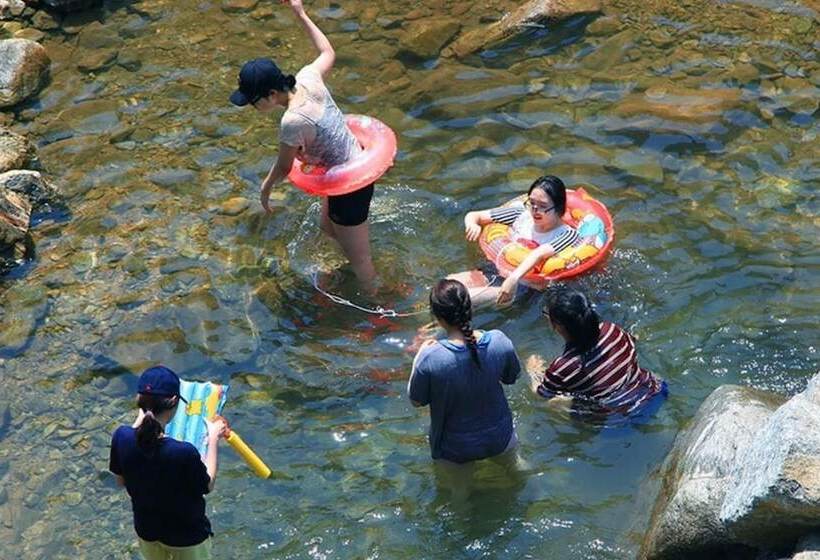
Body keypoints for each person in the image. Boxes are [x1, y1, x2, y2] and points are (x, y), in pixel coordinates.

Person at [229, 0, 376, 288]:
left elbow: (285, 166)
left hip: (350, 186)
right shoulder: (308, 78)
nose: (251, 106)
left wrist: (265, 188)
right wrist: (300, 12)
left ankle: (382, 310)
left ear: (271, 95)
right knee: (327, 232)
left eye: (253, 101)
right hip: (347, 168)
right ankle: (331, 280)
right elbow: (327, 51)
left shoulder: (292, 121)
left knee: (361, 262)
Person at [109, 365, 226, 560]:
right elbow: (208, 485)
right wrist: (213, 438)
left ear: (139, 401)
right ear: (173, 402)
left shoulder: (121, 437)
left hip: (147, 530)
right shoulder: (183, 452)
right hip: (187, 536)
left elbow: (121, 481)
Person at [408, 279, 521, 464]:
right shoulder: (499, 341)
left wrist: (418, 358)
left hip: (455, 448)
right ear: (470, 308)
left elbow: (416, 401)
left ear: (438, 318)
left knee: (458, 493)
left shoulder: (430, 357)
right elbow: (512, 377)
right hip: (501, 438)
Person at [527, 285, 667, 416]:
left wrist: (533, 371)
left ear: (557, 325)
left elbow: (541, 394)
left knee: (553, 403)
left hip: (623, 416)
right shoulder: (612, 330)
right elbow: (633, 340)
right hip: (656, 391)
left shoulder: (562, 367)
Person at [450, 175, 580, 307]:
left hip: (525, 284)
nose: (535, 210)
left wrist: (513, 279)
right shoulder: (520, 215)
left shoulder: (567, 234)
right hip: (496, 269)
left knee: (461, 301)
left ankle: (433, 327)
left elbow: (539, 253)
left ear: (558, 207)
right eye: (532, 203)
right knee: (447, 286)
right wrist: (472, 225)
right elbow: (474, 215)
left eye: (542, 206)